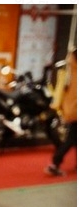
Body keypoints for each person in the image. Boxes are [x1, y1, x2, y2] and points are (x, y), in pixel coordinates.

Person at [45, 48, 77, 177]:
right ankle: (55, 163)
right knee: (71, 139)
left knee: (74, 138)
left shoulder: (68, 72)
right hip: (76, 111)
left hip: (70, 110)